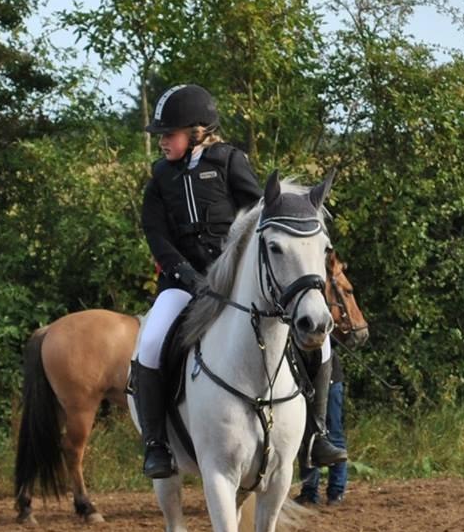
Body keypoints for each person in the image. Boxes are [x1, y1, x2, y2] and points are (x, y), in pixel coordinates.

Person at [135, 83, 347, 479]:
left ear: (197, 131)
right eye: (161, 136)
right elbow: (156, 233)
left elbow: (260, 217)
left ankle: (316, 436)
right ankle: (156, 444)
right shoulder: (161, 177)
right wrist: (183, 273)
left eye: (169, 134)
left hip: (235, 283)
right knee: (149, 341)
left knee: (320, 341)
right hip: (183, 284)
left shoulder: (230, 161)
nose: (162, 142)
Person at [296, 348, 348, 505]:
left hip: (329, 381)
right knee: (306, 435)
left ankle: (336, 490)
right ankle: (309, 490)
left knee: (333, 433)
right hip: (303, 381)